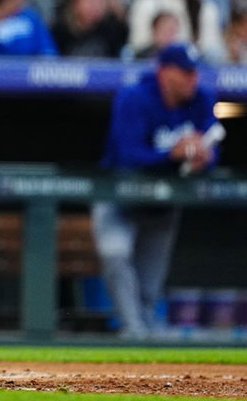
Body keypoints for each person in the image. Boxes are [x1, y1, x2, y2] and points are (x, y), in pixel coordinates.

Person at [94, 43, 221, 338]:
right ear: (164, 72)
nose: (193, 79)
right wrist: (171, 155)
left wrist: (206, 157)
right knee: (115, 254)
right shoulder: (134, 97)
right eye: (186, 73)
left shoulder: (202, 99)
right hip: (119, 195)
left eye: (195, 72)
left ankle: (146, 332)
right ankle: (133, 330)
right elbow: (129, 156)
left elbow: (214, 145)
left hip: (163, 203)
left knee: (150, 283)